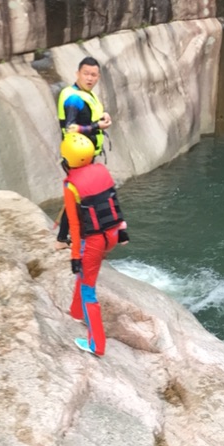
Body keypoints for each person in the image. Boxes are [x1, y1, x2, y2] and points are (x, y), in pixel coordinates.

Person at [57, 132, 128, 356]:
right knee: (87, 274)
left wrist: (75, 256)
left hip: (95, 241)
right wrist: (123, 231)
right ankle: (76, 312)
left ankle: (96, 345)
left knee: (89, 289)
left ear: (67, 160)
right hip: (113, 235)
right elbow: (113, 202)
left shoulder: (71, 187)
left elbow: (76, 227)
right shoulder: (102, 171)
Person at [58, 57, 112, 158]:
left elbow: (87, 116)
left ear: (98, 77)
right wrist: (97, 126)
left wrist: (103, 116)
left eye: (93, 75)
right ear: (78, 74)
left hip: (87, 156)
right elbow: (70, 129)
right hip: (76, 158)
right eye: (85, 74)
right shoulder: (73, 98)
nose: (89, 78)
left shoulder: (88, 94)